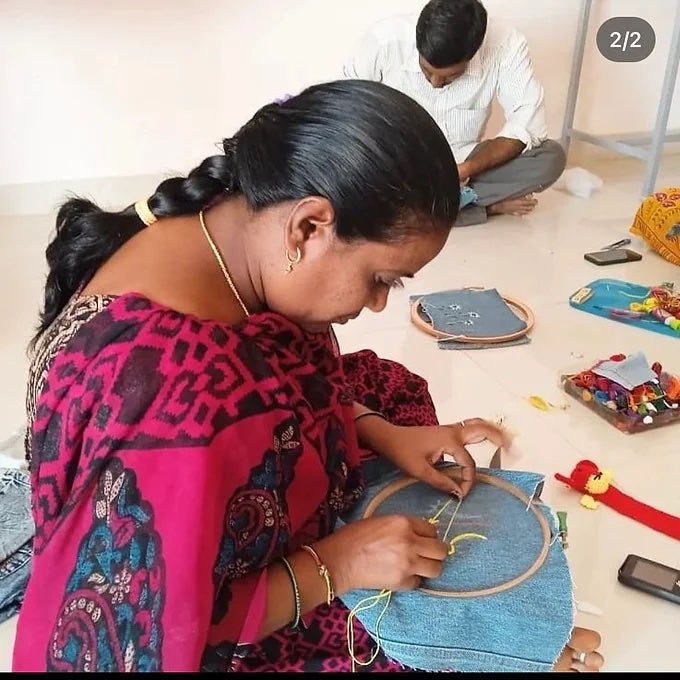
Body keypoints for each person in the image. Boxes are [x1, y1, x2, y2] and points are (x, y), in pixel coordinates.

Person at [13, 80, 601, 672]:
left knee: (394, 398)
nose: (376, 305)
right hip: (194, 612)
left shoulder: (229, 228)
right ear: (309, 227)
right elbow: (154, 625)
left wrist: (379, 430)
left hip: (198, 483)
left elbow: (304, 380)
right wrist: (338, 565)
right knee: (459, 643)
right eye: (382, 278)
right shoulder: (170, 395)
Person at [343, 0, 567, 226]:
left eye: (451, 76)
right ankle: (483, 208)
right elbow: (345, 111)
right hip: (400, 165)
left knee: (549, 158)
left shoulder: (506, 45)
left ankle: (420, 211)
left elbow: (527, 125)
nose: (435, 83)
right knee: (352, 179)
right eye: (427, 71)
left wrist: (466, 169)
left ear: (474, 53)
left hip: (461, 163)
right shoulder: (384, 40)